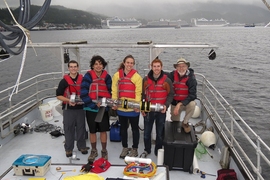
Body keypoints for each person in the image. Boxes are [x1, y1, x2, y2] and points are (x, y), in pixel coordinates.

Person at [140, 58, 174, 158]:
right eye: (154, 66)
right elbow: (142, 95)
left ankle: (158, 150)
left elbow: (171, 94)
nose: (156, 68)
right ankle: (147, 150)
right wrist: (143, 108)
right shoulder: (145, 80)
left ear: (161, 67)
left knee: (160, 133)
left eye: (158, 66)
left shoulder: (167, 80)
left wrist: (166, 105)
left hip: (161, 111)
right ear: (151, 67)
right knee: (146, 133)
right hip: (149, 109)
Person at [80, 55, 112, 162]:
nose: (98, 66)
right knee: (92, 131)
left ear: (103, 66)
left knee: (103, 131)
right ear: (92, 65)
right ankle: (94, 150)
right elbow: (83, 93)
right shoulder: (88, 77)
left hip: (103, 109)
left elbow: (111, 92)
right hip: (91, 109)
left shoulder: (107, 77)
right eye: (96, 64)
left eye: (100, 64)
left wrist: (106, 103)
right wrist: (93, 105)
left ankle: (104, 150)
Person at [111, 55, 142, 159]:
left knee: (134, 129)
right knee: (123, 129)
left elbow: (138, 92)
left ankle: (135, 148)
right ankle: (125, 147)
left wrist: (137, 105)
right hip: (121, 108)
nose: (129, 65)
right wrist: (114, 103)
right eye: (128, 62)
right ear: (124, 63)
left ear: (133, 64)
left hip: (133, 108)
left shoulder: (137, 77)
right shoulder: (116, 76)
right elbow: (114, 91)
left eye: (131, 63)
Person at [56, 60, 88, 157]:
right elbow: (58, 95)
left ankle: (81, 146)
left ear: (78, 68)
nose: (73, 68)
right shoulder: (64, 81)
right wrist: (68, 100)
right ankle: (69, 148)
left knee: (81, 128)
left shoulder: (83, 80)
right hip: (68, 108)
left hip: (80, 108)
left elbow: (88, 92)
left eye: (75, 66)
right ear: (68, 68)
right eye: (71, 67)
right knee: (68, 129)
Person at [168, 58, 197, 133]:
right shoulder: (172, 75)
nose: (181, 68)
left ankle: (185, 122)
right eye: (179, 66)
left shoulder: (191, 78)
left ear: (187, 67)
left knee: (192, 104)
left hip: (186, 102)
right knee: (175, 121)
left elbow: (193, 95)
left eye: (183, 66)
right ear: (176, 68)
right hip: (175, 102)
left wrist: (180, 104)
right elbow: (164, 78)